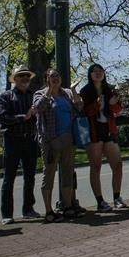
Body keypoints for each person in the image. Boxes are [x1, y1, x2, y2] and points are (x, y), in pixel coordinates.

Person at [33, 69, 84, 222]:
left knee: (67, 173)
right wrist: (49, 90)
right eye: (52, 76)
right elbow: (39, 107)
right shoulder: (40, 94)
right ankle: (49, 211)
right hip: (50, 141)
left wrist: (74, 90)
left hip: (68, 139)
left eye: (57, 76)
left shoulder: (66, 93)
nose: (55, 78)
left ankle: (67, 207)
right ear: (46, 79)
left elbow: (79, 106)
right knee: (49, 174)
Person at [0, 65, 40, 224]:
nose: (25, 79)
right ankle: (7, 214)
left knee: (30, 177)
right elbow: (2, 118)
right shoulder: (6, 96)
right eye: (21, 76)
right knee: (9, 178)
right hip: (12, 140)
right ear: (14, 79)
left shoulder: (33, 96)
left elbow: (38, 116)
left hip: (30, 140)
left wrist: (35, 115)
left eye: (27, 76)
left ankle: (28, 209)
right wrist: (24, 117)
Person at [79, 64, 125, 211]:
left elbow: (118, 109)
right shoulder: (85, 91)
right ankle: (100, 201)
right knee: (96, 166)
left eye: (101, 71)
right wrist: (96, 105)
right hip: (94, 132)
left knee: (117, 165)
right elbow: (84, 112)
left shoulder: (110, 89)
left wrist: (113, 103)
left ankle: (117, 197)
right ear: (90, 75)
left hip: (109, 131)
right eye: (95, 72)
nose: (98, 73)